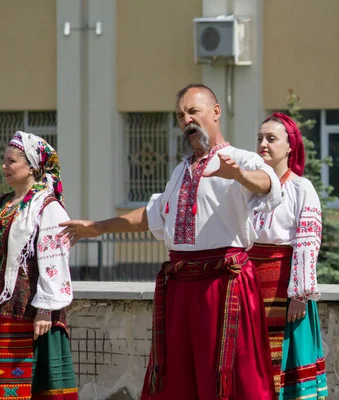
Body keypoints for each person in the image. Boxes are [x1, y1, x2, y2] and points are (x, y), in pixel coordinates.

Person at [60, 84, 282, 399]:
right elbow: (153, 215)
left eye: (194, 111)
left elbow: (267, 183)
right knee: (178, 380)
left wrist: (239, 176)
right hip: (181, 288)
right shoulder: (179, 171)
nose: (187, 120)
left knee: (229, 378)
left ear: (216, 112)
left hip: (222, 285)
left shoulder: (240, 159)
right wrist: (97, 227)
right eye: (180, 115)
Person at [249, 112, 327, 399]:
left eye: (271, 138)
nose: (263, 144)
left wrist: (299, 293)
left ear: (290, 146)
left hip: (286, 288)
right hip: (253, 287)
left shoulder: (300, 188)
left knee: (287, 362)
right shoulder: (251, 190)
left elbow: (308, 241)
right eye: (259, 138)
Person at [0, 132, 77, 399]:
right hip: (5, 312)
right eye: (4, 161)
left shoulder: (47, 207)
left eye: (11, 161)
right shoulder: (4, 204)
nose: (4, 166)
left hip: (33, 316)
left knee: (35, 390)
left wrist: (45, 309)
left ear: (32, 166)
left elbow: (54, 259)